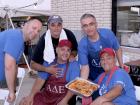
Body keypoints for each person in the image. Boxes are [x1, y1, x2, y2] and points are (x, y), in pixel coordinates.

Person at [30, 15, 78, 104]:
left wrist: (71, 55)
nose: (56, 28)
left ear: (62, 26)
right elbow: (33, 65)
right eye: (53, 25)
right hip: (49, 90)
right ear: (48, 26)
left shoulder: (69, 35)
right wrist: (47, 69)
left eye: (59, 24)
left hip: (64, 95)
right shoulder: (44, 42)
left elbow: (75, 50)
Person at [19, 40, 80, 105]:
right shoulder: (50, 61)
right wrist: (30, 97)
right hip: (45, 97)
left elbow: (73, 86)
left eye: (68, 50)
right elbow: (40, 80)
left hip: (60, 99)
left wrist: (65, 100)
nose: (65, 52)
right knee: (23, 102)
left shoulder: (73, 65)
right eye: (62, 49)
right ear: (57, 50)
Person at [0, 17, 43, 103]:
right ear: (25, 25)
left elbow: (14, 66)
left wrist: (13, 89)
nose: (35, 32)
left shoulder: (20, 42)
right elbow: (9, 66)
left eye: (38, 31)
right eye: (34, 28)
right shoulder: (16, 37)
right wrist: (11, 92)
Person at [78, 13, 126, 82]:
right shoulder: (82, 44)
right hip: (93, 74)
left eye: (91, 24)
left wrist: (121, 66)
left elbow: (117, 48)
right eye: (85, 26)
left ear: (96, 24)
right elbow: (85, 67)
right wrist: (82, 83)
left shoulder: (107, 34)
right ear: (82, 28)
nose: (89, 28)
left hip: (110, 71)